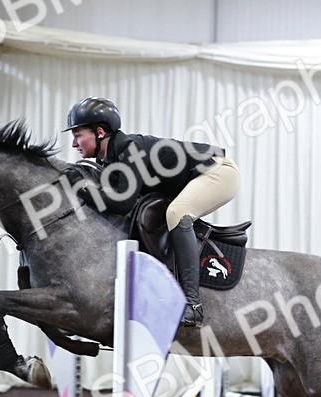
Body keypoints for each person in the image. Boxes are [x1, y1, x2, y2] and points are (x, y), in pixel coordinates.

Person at [63, 97, 240, 327]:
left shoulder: (129, 149)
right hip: (198, 175)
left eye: (78, 135)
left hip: (219, 171)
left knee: (177, 213)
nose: (74, 144)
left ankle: (193, 306)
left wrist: (81, 187)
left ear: (99, 132)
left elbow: (122, 202)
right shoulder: (112, 160)